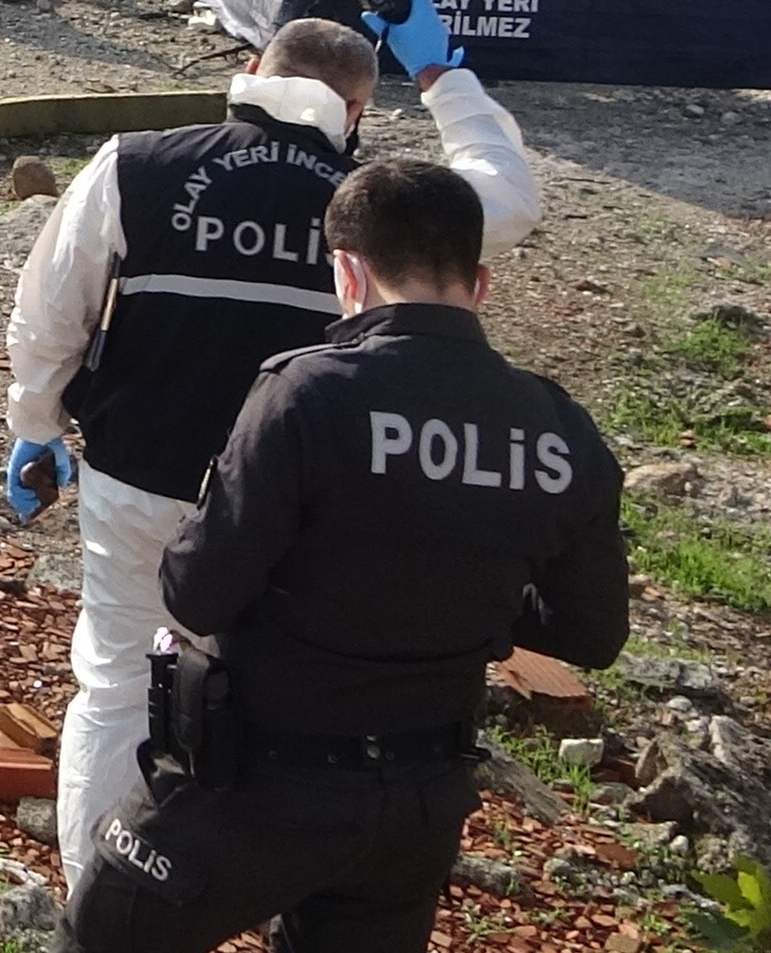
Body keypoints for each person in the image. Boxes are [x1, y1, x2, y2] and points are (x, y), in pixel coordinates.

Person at [4, 7, 540, 893]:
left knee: (116, 686)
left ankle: (101, 905)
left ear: (254, 68)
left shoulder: (135, 166)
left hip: (140, 475)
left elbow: (51, 309)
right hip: (300, 513)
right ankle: (243, 893)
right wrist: (446, 78)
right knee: (273, 705)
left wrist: (34, 427)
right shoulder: (385, 207)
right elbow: (506, 199)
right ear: (358, 110)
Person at [62, 155, 626, 953]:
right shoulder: (559, 429)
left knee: (103, 932)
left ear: (348, 274)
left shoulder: (309, 393)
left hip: (258, 785)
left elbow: (197, 590)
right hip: (419, 806)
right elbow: (592, 633)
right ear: (482, 283)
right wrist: (469, 594)